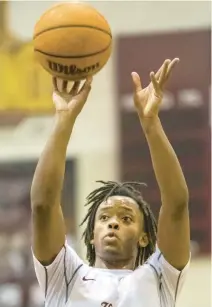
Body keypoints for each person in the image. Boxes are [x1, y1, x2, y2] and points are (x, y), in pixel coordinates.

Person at [31, 58, 190, 307]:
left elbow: (177, 205)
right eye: (104, 218)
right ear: (92, 235)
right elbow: (43, 206)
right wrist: (64, 119)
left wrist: (151, 124)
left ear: (144, 237)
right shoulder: (66, 276)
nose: (113, 223)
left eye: (126, 218)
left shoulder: (161, 277)